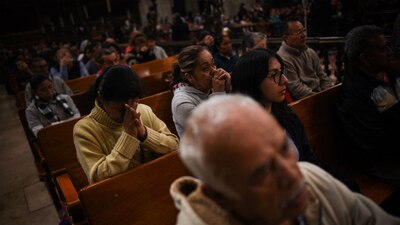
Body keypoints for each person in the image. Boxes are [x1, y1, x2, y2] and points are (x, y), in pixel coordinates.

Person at [170, 95, 400, 225]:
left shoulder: (311, 179)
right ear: (219, 197)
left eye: (283, 148)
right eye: (262, 172)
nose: (293, 175)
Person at [74, 65, 179, 183]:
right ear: (101, 98)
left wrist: (144, 133)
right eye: (121, 110)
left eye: (134, 103)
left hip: (155, 180)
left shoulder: (143, 110)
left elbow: (174, 145)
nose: (130, 113)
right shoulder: (84, 129)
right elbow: (98, 177)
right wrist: (128, 136)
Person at [337, 25, 400, 186]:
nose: (389, 51)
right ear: (366, 58)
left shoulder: (391, 75)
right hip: (383, 162)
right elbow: (374, 143)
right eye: (383, 48)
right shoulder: (354, 94)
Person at [171, 45, 231, 138]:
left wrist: (228, 91)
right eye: (205, 68)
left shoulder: (208, 88)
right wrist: (218, 94)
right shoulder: (181, 103)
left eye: (213, 64)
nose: (214, 70)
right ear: (189, 77)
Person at [277, 17, 333, 100]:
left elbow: (323, 77)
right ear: (286, 38)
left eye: (303, 30)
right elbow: (297, 90)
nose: (303, 35)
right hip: (304, 102)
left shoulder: (309, 52)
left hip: (319, 96)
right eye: (298, 32)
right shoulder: (282, 58)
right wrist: (322, 99)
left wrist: (329, 92)